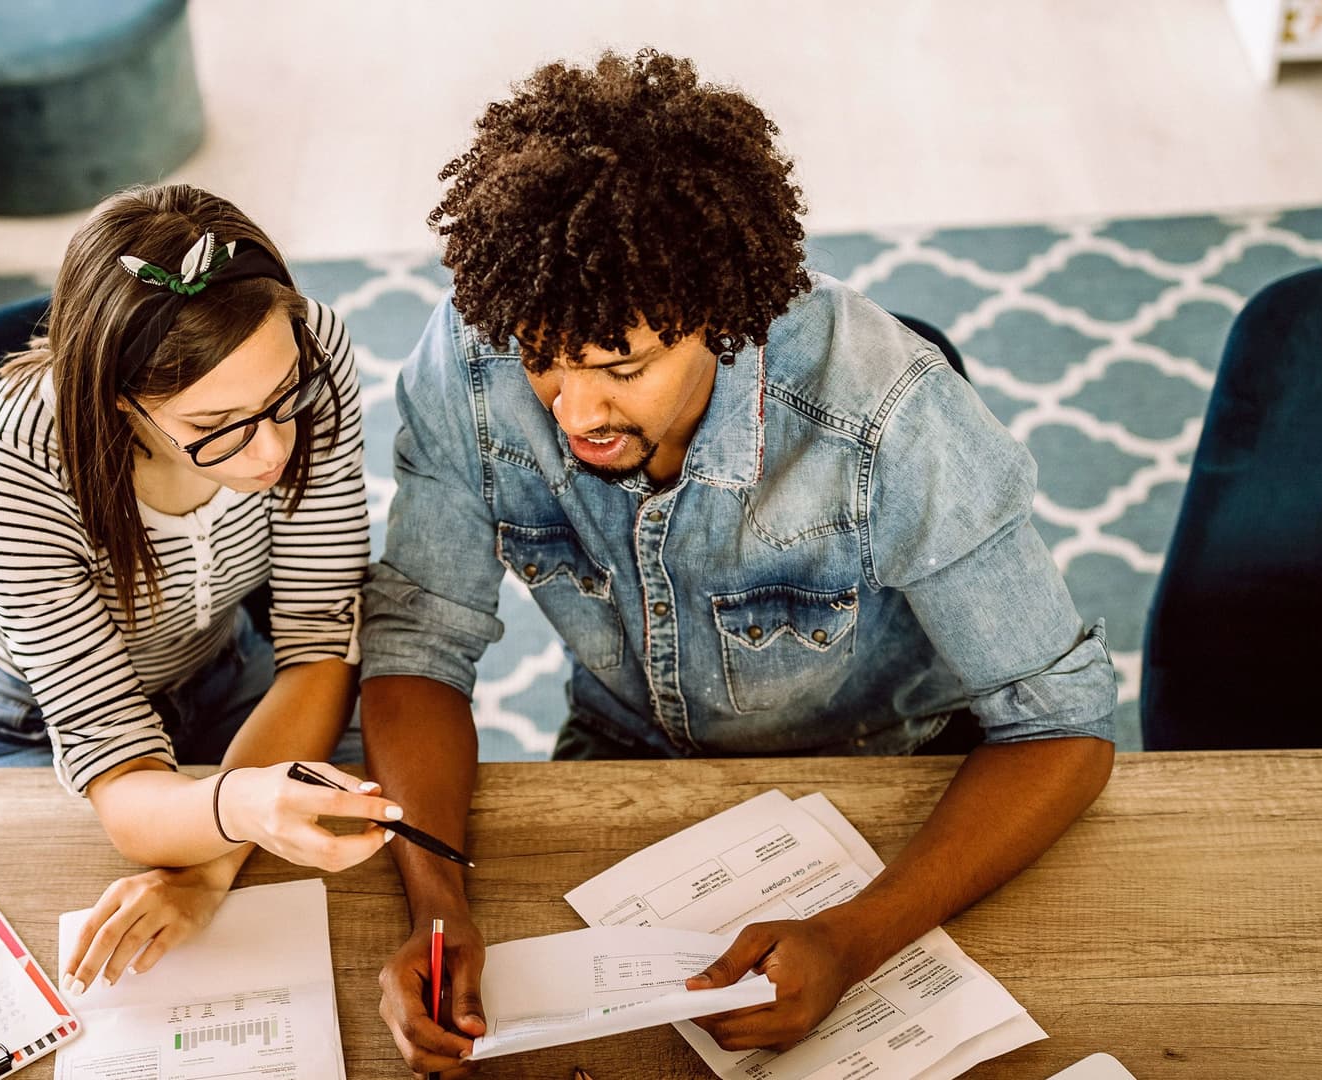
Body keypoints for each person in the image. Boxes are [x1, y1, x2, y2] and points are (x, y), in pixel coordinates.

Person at [359, 51, 1117, 1076]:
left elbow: (1064, 725)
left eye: (622, 368)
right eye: (547, 359)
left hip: (883, 784)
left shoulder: (888, 413)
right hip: (617, 761)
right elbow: (418, 643)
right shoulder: (469, 359)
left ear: (721, 321)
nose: (575, 413)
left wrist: (854, 939)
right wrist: (440, 905)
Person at [0, 183, 401, 998]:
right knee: (3, 973)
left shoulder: (311, 344)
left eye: (283, 399)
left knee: (380, 877)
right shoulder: (7, 465)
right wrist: (244, 810)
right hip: (28, 721)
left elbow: (321, 640)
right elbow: (120, 774)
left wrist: (206, 871)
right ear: (119, 399)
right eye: (218, 425)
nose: (272, 452)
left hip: (226, 671)